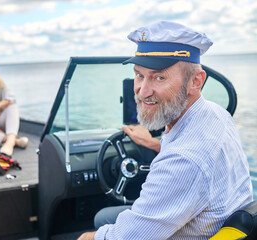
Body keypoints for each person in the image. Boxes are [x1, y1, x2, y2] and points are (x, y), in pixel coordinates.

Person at [78, 21, 253, 239]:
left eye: (159, 77)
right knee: (104, 218)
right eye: (139, 75)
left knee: (93, 230)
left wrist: (86, 237)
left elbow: (127, 237)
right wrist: (154, 144)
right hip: (215, 224)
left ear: (195, 81)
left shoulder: (183, 161)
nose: (142, 91)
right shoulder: (216, 115)